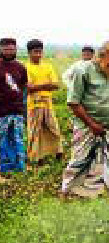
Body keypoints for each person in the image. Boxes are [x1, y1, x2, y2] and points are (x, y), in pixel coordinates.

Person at [60, 42, 109, 199]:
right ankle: (66, 193)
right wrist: (92, 124)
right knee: (80, 161)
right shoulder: (83, 71)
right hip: (87, 127)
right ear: (100, 57)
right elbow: (73, 103)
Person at [25, 39, 62, 167]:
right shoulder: (25, 67)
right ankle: (36, 157)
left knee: (53, 128)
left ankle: (58, 152)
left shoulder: (48, 66)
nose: (38, 55)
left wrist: (38, 86)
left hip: (47, 103)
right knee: (35, 131)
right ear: (29, 53)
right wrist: (47, 85)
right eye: (35, 52)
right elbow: (28, 88)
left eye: (40, 52)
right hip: (33, 104)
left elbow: (56, 85)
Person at [0, 38, 28, 177]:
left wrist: (24, 108)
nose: (9, 52)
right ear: (1, 50)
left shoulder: (20, 67)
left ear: (16, 50)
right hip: (1, 111)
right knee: (2, 139)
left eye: (12, 49)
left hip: (17, 110)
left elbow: (23, 88)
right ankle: (3, 169)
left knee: (17, 138)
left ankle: (19, 167)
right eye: (6, 49)